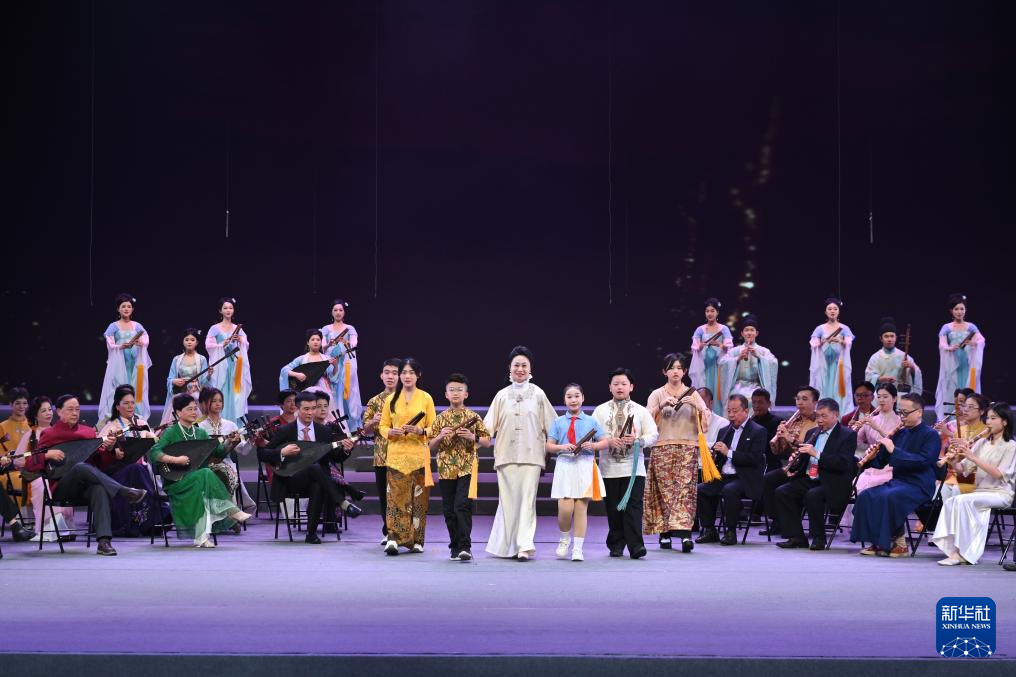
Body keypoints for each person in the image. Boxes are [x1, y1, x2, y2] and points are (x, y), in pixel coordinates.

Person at [25, 395, 148, 555]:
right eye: (70, 409)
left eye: (77, 409)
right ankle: (123, 491)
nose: (75, 413)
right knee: (79, 467)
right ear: (59, 411)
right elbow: (30, 463)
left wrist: (110, 450)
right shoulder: (49, 434)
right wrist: (47, 455)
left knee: (99, 489)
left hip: (85, 488)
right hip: (62, 487)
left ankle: (104, 542)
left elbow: (100, 464)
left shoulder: (88, 432)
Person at [483, 346, 557, 560]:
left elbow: (552, 426)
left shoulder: (538, 394)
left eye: (524, 365)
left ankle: (524, 545)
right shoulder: (501, 395)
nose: (520, 369)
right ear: (510, 368)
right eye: (516, 365)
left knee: (527, 501)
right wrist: (473, 438)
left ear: (530, 368)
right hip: (505, 455)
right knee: (507, 502)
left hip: (531, 455)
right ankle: (506, 546)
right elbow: (487, 428)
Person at [149, 394, 250, 547]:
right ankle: (231, 510)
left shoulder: (200, 433)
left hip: (197, 480)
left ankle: (201, 537)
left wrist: (231, 442)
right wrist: (175, 459)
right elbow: (154, 452)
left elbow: (219, 453)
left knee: (204, 478)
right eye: (189, 409)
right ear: (178, 412)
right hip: (177, 481)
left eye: (195, 409)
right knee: (206, 473)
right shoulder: (171, 432)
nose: (194, 412)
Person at [260, 391, 357, 544]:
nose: (311, 413)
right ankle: (343, 500)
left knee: (317, 483)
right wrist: (282, 452)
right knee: (315, 469)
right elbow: (263, 454)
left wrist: (346, 450)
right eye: (306, 409)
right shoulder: (285, 431)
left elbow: (335, 457)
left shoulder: (324, 431)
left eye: (313, 408)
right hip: (291, 480)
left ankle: (311, 534)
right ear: (297, 408)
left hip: (318, 480)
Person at [850, 392, 940, 557]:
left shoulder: (931, 434)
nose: (902, 416)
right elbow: (882, 461)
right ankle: (878, 542)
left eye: (906, 412)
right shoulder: (900, 433)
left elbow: (924, 461)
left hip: (920, 484)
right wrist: (870, 457)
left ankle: (899, 544)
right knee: (866, 495)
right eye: (900, 412)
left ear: (919, 412)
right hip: (899, 481)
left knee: (889, 497)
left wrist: (894, 450)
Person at [933, 402, 1016, 565]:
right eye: (988, 418)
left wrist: (973, 457)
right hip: (980, 492)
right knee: (951, 501)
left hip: (1001, 493)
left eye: (993, 418)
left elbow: (999, 474)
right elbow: (962, 470)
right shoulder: (982, 443)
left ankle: (961, 553)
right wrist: (953, 460)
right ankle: (955, 550)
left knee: (963, 501)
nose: (988, 422)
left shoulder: (1011, 446)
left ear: (1005, 421)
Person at [646, 353, 713, 553]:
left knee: (684, 491)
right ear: (664, 372)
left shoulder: (693, 393)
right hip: (662, 447)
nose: (675, 371)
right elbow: (645, 419)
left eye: (678, 368)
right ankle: (665, 534)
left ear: (684, 371)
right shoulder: (657, 394)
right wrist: (661, 406)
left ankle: (685, 535)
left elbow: (707, 418)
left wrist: (697, 406)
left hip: (687, 447)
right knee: (665, 491)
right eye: (671, 368)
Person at [591, 367, 658, 559]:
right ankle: (616, 544)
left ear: (631, 387)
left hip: (633, 469)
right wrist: (607, 441)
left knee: (633, 507)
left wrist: (638, 441)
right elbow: (592, 434)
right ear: (609, 387)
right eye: (616, 384)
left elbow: (653, 434)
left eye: (624, 384)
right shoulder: (600, 411)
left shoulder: (641, 411)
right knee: (613, 509)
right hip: (609, 468)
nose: (620, 387)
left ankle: (636, 546)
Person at [774, 398, 857, 550]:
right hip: (810, 477)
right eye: (818, 416)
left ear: (835, 415)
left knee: (812, 495)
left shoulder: (847, 435)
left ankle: (819, 538)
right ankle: (796, 537)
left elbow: (843, 463)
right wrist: (796, 459)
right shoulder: (812, 432)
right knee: (782, 492)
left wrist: (816, 453)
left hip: (833, 481)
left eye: (824, 416)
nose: (819, 420)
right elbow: (805, 460)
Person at [428, 373, 491, 561]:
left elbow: (487, 441)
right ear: (446, 394)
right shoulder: (440, 418)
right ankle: (454, 546)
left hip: (467, 467)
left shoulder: (473, 417)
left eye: (459, 390)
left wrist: (473, 437)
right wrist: (440, 436)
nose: (455, 393)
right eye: (452, 390)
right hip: (446, 468)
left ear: (466, 394)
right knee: (449, 510)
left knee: (462, 506)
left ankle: (465, 546)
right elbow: (430, 446)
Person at [379, 358, 436, 555]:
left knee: (419, 500)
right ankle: (393, 538)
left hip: (418, 456)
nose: (407, 376)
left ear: (418, 375)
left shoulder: (426, 398)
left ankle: (417, 540)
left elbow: (434, 428)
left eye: (411, 372)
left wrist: (421, 431)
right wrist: (390, 432)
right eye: (404, 372)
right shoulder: (391, 399)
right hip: (396, 456)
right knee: (395, 499)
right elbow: (383, 425)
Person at [546, 384, 609, 562]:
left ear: (583, 398)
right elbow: (549, 446)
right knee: (565, 508)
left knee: (581, 508)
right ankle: (564, 540)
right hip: (565, 464)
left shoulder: (591, 421)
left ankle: (578, 548)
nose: (573, 400)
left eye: (576, 396)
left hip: (584, 464)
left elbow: (605, 442)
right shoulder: (558, 422)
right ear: (564, 400)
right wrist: (561, 447)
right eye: (569, 396)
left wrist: (593, 445)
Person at [696, 394, 767, 546]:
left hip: (745, 478)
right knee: (701, 489)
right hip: (724, 475)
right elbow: (720, 458)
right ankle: (709, 530)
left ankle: (731, 532)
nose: (731, 415)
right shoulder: (724, 430)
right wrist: (714, 456)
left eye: (735, 411)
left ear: (746, 411)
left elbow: (754, 459)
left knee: (730, 490)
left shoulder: (758, 431)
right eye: (729, 411)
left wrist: (728, 452)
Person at [96, 385, 161, 537]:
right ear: (117, 406)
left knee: (140, 469)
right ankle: (152, 516)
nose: (130, 406)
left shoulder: (142, 423)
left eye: (132, 403)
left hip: (139, 471)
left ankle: (150, 519)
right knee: (136, 469)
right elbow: (99, 451)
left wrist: (155, 438)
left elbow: (154, 444)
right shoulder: (111, 426)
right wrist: (112, 450)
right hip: (116, 473)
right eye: (126, 403)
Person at [761, 386, 819, 536]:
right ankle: (777, 520)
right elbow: (779, 452)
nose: (800, 402)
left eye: (804, 399)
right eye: (798, 399)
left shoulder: (818, 423)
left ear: (815, 403)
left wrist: (790, 438)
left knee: (787, 487)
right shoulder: (793, 421)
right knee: (768, 479)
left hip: (808, 467)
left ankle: (789, 524)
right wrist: (779, 436)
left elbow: (809, 447)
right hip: (791, 466)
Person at [15, 396, 70, 539]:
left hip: (59, 472)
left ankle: (65, 528)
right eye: (43, 410)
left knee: (68, 481)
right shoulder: (31, 435)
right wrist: (42, 458)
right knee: (42, 483)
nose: (48, 413)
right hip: (37, 475)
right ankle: (46, 529)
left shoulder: (59, 431)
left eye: (49, 409)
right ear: (36, 415)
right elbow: (18, 460)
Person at [198, 387, 257, 512]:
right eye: (214, 401)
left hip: (227, 463)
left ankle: (230, 513)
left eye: (220, 401)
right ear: (206, 403)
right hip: (205, 465)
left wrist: (251, 441)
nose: (218, 404)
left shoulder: (231, 425)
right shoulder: (200, 426)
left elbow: (243, 450)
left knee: (227, 472)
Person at [362, 359, 402, 544]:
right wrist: (373, 422)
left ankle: (404, 532)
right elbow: (365, 430)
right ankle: (388, 532)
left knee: (402, 496)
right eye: (387, 372)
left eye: (395, 373)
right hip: (382, 456)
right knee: (385, 496)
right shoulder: (374, 401)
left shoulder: (408, 398)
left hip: (403, 455)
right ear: (381, 375)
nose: (390, 376)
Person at [98, 293, 152, 426]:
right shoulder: (113, 326)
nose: (126, 309)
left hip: (135, 364)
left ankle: (137, 419)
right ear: (118, 309)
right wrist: (120, 346)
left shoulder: (137, 326)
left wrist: (141, 342)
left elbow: (146, 339)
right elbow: (110, 343)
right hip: (120, 364)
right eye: (123, 306)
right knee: (118, 387)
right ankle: (117, 419)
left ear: (132, 309)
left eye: (129, 306)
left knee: (138, 388)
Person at [934, 294, 986, 419]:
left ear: (965, 310)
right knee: (952, 392)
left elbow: (981, 340)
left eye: (962, 309)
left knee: (968, 391)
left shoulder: (971, 327)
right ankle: (951, 421)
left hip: (967, 365)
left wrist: (974, 343)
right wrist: (949, 348)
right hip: (952, 365)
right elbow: (942, 343)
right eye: (956, 309)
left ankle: (969, 420)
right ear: (951, 311)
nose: (959, 312)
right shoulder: (946, 327)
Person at [205, 297, 252, 425]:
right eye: (225, 308)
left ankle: (236, 426)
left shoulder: (238, 328)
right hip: (221, 367)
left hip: (235, 367)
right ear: (220, 311)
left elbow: (246, 344)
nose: (228, 310)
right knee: (222, 393)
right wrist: (222, 344)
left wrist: (240, 340)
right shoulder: (214, 328)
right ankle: (220, 425)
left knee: (236, 395)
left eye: (230, 308)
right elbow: (209, 346)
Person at [852, 383, 903, 496]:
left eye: (885, 397)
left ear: (894, 399)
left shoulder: (900, 421)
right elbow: (857, 444)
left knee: (872, 488)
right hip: (871, 464)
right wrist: (854, 431)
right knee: (856, 486)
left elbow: (897, 445)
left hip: (890, 466)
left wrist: (878, 428)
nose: (881, 400)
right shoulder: (871, 419)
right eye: (879, 397)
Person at [320, 298, 363, 430]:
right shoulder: (326, 329)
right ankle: (336, 426)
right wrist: (329, 344)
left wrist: (345, 342)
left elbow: (354, 343)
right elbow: (322, 347)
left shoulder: (349, 328)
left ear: (344, 312)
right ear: (331, 312)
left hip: (346, 364)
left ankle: (352, 427)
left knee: (348, 392)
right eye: (335, 310)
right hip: (333, 364)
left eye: (340, 310)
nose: (338, 312)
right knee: (334, 393)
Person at [719, 315, 779, 405]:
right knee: (736, 399)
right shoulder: (735, 351)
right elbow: (722, 363)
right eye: (746, 330)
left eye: (752, 330)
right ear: (742, 333)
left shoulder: (763, 351)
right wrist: (737, 358)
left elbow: (774, 363)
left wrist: (759, 357)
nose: (749, 333)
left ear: (756, 333)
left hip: (756, 386)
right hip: (738, 386)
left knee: (757, 399)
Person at [809, 297, 854, 413]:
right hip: (823, 366)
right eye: (829, 309)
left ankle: (840, 415)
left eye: (835, 309)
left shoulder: (844, 328)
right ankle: (822, 413)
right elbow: (813, 344)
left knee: (839, 390)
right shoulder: (820, 328)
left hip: (838, 365)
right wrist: (823, 341)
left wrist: (841, 341)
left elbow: (849, 342)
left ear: (839, 311)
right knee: (822, 388)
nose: (832, 311)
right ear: (825, 312)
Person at [689, 298, 734, 415]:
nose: (710, 313)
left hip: (718, 367)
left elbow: (730, 348)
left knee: (719, 395)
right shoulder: (700, 330)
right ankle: (704, 418)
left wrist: (719, 344)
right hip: (704, 367)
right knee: (703, 393)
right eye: (707, 311)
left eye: (712, 311)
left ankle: (719, 419)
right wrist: (700, 347)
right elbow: (695, 347)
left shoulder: (723, 329)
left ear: (717, 312)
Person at [279, 330, 339, 411]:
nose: (315, 342)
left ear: (321, 342)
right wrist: (297, 374)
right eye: (313, 339)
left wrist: (335, 366)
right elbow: (284, 370)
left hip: (323, 390)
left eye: (318, 340)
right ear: (308, 342)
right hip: (306, 389)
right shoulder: (302, 358)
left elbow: (333, 378)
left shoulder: (326, 358)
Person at [161, 328, 211, 426]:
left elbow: (204, 382)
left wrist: (209, 375)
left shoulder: (202, 359)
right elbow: (170, 379)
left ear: (197, 342)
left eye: (192, 340)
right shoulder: (176, 359)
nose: (189, 342)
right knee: (177, 402)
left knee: (195, 399)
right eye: (186, 340)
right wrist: (174, 381)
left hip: (195, 392)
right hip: (181, 391)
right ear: (183, 342)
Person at [864, 317, 923, 396]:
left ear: (896, 338)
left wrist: (912, 367)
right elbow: (868, 377)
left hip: (900, 394)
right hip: (881, 394)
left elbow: (917, 372)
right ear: (881, 338)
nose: (889, 339)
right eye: (886, 336)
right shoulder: (875, 357)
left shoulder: (904, 356)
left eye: (892, 336)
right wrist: (881, 379)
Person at [750, 389, 782, 466]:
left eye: (760, 402)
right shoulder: (749, 422)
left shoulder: (778, 422)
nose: (756, 405)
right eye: (754, 402)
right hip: (752, 463)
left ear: (769, 403)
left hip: (771, 464)